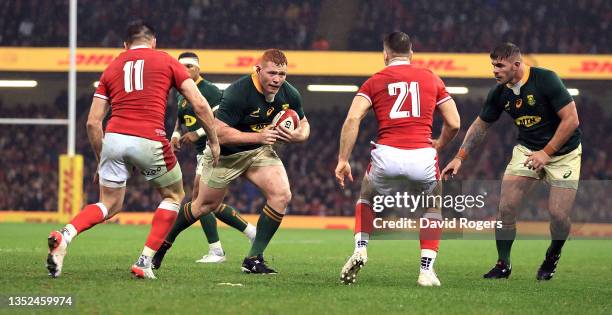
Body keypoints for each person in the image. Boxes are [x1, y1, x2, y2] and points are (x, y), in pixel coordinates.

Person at [46, 20, 220, 279]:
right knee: (173, 196)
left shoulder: (112, 67)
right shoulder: (166, 60)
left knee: (108, 204)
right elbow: (200, 104)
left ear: (125, 45)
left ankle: (66, 235)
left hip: (114, 138)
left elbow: (93, 123)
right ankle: (144, 261)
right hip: (150, 138)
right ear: (154, 42)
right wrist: (214, 141)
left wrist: (100, 161)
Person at [151, 49, 309, 274]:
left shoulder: (289, 93)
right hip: (224, 155)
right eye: (272, 73)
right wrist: (259, 136)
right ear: (258, 70)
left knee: (282, 195)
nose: (277, 79)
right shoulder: (239, 92)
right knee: (203, 206)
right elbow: (219, 133)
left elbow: (304, 124)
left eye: (282, 74)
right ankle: (161, 246)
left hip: (258, 153)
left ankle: (253, 258)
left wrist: (298, 135)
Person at [441, 42, 581, 280]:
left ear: (517, 65)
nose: (494, 70)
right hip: (527, 150)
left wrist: (546, 153)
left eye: (499, 65)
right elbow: (480, 126)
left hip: (564, 154)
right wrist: (459, 157)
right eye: (492, 65)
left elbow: (571, 120)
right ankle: (503, 264)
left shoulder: (546, 79)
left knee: (558, 216)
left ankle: (553, 255)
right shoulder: (499, 92)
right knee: (506, 208)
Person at [335, 31, 460, 286]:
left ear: (385, 54)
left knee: (366, 196)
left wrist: (343, 159)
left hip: (387, 155)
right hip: (422, 156)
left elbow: (352, 119)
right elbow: (455, 123)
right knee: (433, 205)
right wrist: (439, 144)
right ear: (411, 53)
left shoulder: (374, 81)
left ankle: (360, 247)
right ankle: (426, 270)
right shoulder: (431, 78)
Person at [152, 52, 255, 268]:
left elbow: (220, 121)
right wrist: (176, 135)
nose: (186, 70)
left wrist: (197, 134)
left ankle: (216, 249)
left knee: (199, 199)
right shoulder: (180, 92)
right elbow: (180, 122)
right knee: (209, 203)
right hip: (200, 152)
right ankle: (251, 233)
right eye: (182, 67)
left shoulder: (211, 91)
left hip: (214, 148)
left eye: (190, 66)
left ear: (198, 68)